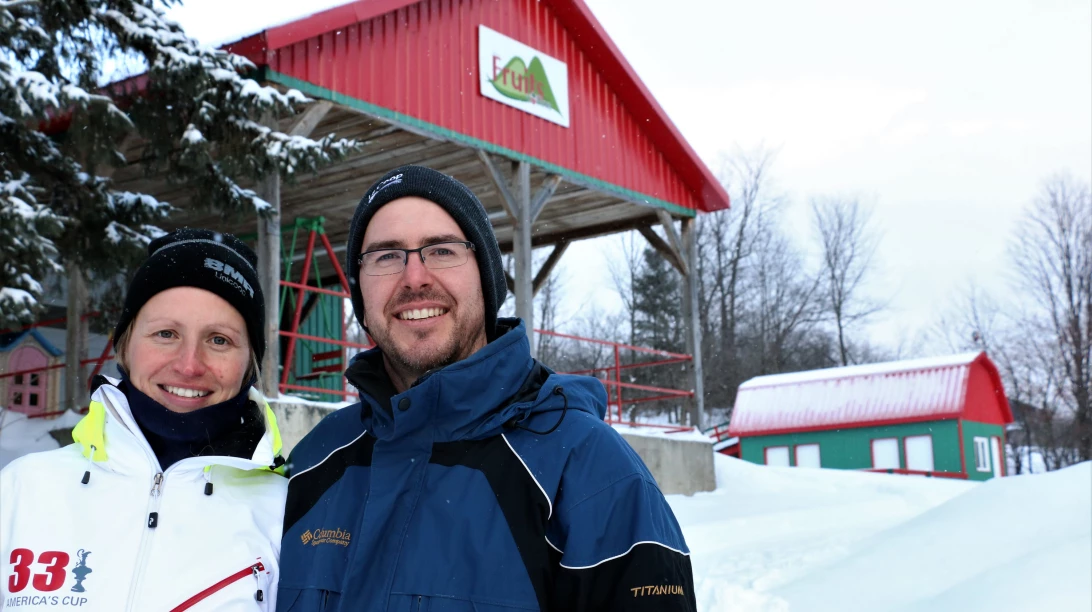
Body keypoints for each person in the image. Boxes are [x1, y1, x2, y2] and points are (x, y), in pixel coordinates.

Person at [277, 166, 696, 611]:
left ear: (486, 278)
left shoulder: (590, 471)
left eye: (440, 250)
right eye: (386, 256)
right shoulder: (312, 464)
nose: (414, 277)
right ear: (361, 293)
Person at [0, 229, 288, 611]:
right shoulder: (22, 489)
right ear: (125, 346)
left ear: (249, 363)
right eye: (165, 333)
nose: (189, 365)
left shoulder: (289, 513)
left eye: (219, 339)